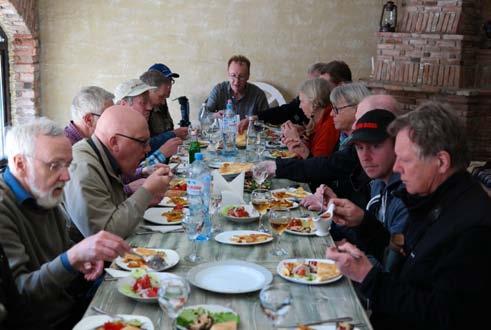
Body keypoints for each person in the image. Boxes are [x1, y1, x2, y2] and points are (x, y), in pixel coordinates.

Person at [326, 102, 491, 330]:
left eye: (406, 160)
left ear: (441, 162)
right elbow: (404, 260)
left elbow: (445, 316)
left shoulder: (473, 227)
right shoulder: (431, 197)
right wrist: (364, 224)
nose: (396, 168)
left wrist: (369, 277)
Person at [0, 117, 130, 329]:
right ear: (20, 164)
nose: (66, 176)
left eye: (68, 165)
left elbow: (61, 252)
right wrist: (73, 257)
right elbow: (20, 296)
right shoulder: (4, 208)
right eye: (54, 166)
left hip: (74, 305)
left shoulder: (42, 191)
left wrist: (83, 258)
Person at [63, 106, 173, 239]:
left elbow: (114, 209)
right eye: (142, 142)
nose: (148, 149)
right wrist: (147, 191)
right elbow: (105, 235)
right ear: (114, 142)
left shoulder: (103, 155)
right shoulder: (83, 168)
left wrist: (147, 195)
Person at [262, 83, 373, 206]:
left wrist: (278, 166)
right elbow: (324, 169)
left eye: (336, 109)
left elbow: (327, 166)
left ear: (358, 109)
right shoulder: (344, 137)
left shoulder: (359, 142)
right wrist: (304, 152)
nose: (331, 114)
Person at [328, 109, 408, 269]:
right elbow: (371, 240)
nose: (365, 156)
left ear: (397, 146)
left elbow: (393, 266)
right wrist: (334, 212)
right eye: (359, 147)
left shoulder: (406, 195)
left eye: (375, 146)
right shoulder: (378, 183)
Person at [238, 60, 353, 133]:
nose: (315, 88)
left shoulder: (335, 117)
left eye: (322, 84)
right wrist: (256, 117)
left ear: (341, 86)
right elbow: (285, 110)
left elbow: (321, 159)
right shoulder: (315, 103)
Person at [114, 78, 182, 159]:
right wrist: (161, 154)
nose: (149, 108)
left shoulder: (135, 128)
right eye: (143, 103)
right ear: (124, 105)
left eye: (149, 102)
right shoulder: (118, 135)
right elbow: (133, 171)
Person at [281, 78, 339, 159]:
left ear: (314, 102)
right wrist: (302, 133)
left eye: (302, 101)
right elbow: (312, 148)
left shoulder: (330, 124)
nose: (300, 106)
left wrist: (294, 140)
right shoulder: (320, 119)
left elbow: (316, 165)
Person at [206, 54, 268, 119]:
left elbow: (267, 119)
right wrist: (214, 115)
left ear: (248, 76)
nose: (236, 82)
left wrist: (253, 120)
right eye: (233, 75)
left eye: (241, 77)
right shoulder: (218, 90)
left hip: (249, 129)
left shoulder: (258, 94)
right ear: (228, 74)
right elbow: (202, 116)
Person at [144, 63, 188, 139]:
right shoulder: (144, 107)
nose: (169, 86)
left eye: (170, 81)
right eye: (166, 82)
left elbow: (168, 130)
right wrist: (173, 134)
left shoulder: (162, 102)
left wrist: (178, 133)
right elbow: (146, 145)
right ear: (152, 85)